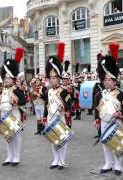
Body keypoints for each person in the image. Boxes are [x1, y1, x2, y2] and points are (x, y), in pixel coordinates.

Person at [94, 42, 123, 176]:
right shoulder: (99, 94)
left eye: (109, 80)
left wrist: (121, 113)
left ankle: (118, 164)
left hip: (116, 122)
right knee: (105, 144)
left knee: (116, 144)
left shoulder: (121, 94)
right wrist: (96, 120)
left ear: (114, 81)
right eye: (105, 80)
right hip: (104, 122)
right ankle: (108, 163)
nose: (107, 82)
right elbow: (97, 109)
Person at [43, 42, 72, 170]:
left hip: (60, 118)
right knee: (52, 140)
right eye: (50, 78)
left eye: (54, 78)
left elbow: (70, 103)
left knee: (62, 140)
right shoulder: (48, 91)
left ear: (59, 79)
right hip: (50, 118)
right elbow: (47, 105)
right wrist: (45, 118)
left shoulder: (64, 91)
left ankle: (62, 160)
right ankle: (55, 159)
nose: (52, 80)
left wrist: (64, 107)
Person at [0, 48, 27, 167]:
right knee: (7, 137)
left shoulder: (17, 89)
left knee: (16, 137)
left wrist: (15, 102)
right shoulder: (4, 90)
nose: (5, 80)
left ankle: (16, 157)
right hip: (4, 115)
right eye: (5, 78)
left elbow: (24, 101)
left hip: (15, 114)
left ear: (13, 79)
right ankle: (9, 156)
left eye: (8, 78)